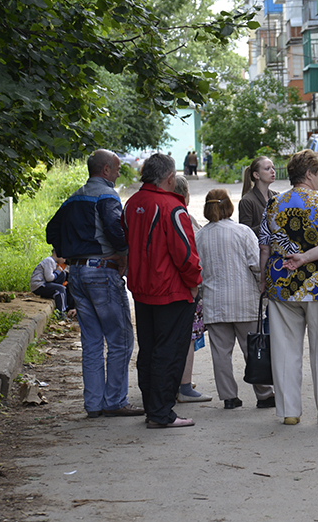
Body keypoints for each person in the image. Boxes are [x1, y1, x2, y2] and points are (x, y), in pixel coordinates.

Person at [46, 149, 143, 419]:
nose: (120, 172)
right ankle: (115, 401)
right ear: (106, 170)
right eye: (116, 168)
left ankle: (94, 405)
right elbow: (115, 228)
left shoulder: (73, 197)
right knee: (120, 339)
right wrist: (123, 253)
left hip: (76, 274)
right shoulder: (107, 195)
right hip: (102, 271)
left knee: (90, 341)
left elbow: (51, 231)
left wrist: (70, 251)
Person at [259, 149, 318, 425]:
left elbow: (264, 244)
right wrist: (306, 257)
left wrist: (264, 277)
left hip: (281, 284)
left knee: (284, 350)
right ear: (309, 174)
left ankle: (289, 412)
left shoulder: (273, 203)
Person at [122, 153, 202, 429]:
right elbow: (185, 254)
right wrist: (194, 283)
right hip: (171, 291)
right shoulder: (172, 207)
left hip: (143, 289)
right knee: (169, 352)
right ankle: (162, 413)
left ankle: (153, 408)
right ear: (170, 178)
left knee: (150, 350)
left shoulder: (132, 203)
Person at [196, 189, 276, 410]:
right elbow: (255, 264)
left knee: (221, 352)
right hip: (244, 300)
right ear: (229, 206)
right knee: (253, 349)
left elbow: (198, 270)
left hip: (215, 301)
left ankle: (229, 397)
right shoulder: (242, 232)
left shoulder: (200, 236)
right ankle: (264, 394)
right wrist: (264, 285)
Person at [172, 174, 213, 404]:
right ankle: (184, 385)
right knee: (187, 337)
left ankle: (177, 380)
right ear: (185, 194)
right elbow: (191, 255)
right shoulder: (182, 216)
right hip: (187, 287)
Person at [239, 155, 278, 240]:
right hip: (258, 250)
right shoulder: (247, 201)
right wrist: (269, 222)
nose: (273, 171)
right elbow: (245, 234)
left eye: (273, 168)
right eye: (267, 169)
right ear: (256, 175)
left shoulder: (277, 196)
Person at [29, 250, 73, 319]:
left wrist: (59, 272)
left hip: (44, 284)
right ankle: (61, 312)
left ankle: (54, 294)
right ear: (59, 255)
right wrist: (57, 271)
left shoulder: (52, 262)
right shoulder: (49, 261)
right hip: (39, 285)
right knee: (61, 289)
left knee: (62, 274)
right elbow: (49, 278)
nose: (64, 260)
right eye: (64, 258)